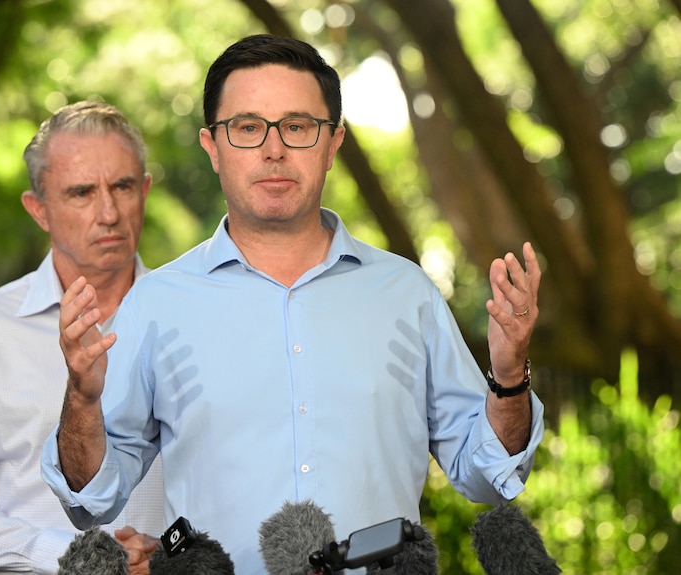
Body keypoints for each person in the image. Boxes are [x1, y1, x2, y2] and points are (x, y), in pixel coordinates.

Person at [41, 35, 546, 574]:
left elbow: (488, 475)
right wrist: (82, 398)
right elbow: (90, 499)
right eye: (247, 127)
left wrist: (510, 375)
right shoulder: (157, 304)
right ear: (212, 147)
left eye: (298, 127)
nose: (273, 149)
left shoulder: (407, 293)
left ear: (333, 145)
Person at [0, 101, 164, 575]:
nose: (108, 212)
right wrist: (67, 557)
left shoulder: (187, 316)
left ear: (144, 190)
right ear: (39, 210)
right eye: (82, 193)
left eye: (123, 186)